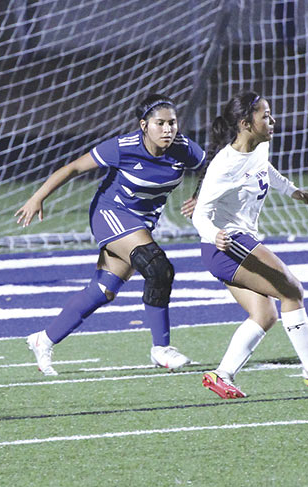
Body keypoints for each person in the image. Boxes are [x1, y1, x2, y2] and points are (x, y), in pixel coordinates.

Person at [15, 93, 204, 376]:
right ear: (144, 125)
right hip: (110, 213)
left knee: (103, 290)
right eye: (160, 123)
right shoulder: (122, 147)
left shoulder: (183, 148)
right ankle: (161, 349)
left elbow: (212, 168)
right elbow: (74, 167)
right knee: (157, 267)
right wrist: (37, 197)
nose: (168, 129)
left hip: (141, 222)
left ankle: (44, 339)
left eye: (172, 123)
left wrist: (200, 196)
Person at [192, 91, 308, 399]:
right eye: (264, 115)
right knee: (292, 290)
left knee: (265, 315)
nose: (272, 120)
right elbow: (200, 212)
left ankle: (221, 375)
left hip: (230, 245)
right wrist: (214, 233)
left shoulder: (260, 145)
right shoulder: (224, 165)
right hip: (226, 245)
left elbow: (265, 170)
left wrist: (293, 191)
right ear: (245, 124)